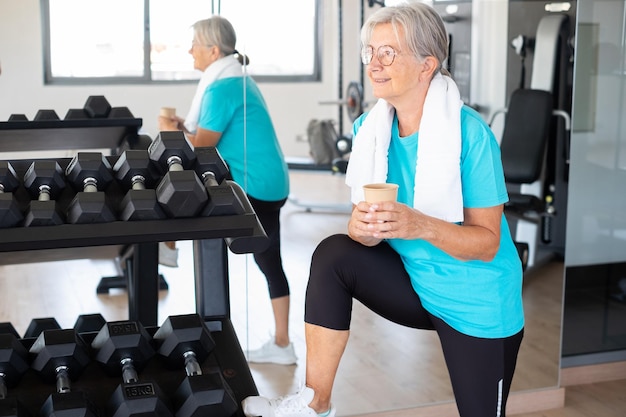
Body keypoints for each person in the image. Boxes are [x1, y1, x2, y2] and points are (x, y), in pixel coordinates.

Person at [241, 3, 524, 417]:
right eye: (369, 52)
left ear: (428, 64)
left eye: (388, 53)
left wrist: (419, 224)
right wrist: (362, 229)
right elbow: (364, 232)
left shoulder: (470, 134)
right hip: (415, 284)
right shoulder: (370, 131)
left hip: (475, 302)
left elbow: (486, 244)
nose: (373, 64)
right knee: (334, 252)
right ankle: (315, 403)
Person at [158, 15, 297, 365]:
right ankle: (283, 345)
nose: (190, 50)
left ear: (213, 49)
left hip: (255, 184)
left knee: (184, 189)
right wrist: (183, 127)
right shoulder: (237, 79)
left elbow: (202, 148)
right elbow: (206, 133)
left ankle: (167, 246)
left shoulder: (221, 87)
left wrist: (170, 131)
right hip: (271, 181)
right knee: (269, 260)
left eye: (195, 44)